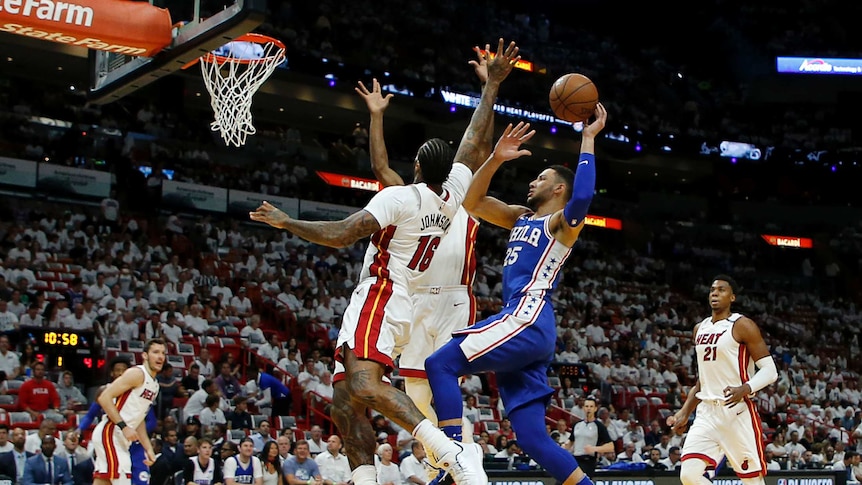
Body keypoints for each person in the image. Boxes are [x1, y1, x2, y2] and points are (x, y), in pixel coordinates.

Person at [250, 38, 523, 485]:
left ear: (415, 165)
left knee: (367, 385)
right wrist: (491, 86)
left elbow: (341, 233)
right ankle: (368, 476)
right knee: (344, 401)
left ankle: (444, 447)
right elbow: (474, 141)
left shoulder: (402, 197)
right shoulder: (453, 193)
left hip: (389, 292)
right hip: (406, 296)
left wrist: (286, 222)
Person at [422, 72, 608, 485]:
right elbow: (472, 201)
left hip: (527, 316)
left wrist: (589, 136)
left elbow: (585, 198)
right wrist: (496, 159)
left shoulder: (562, 225)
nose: (532, 180)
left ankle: (453, 461)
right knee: (531, 437)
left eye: (541, 177)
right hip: (526, 327)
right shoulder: (520, 217)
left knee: (440, 364)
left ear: (559, 189)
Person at [668, 275, 778, 485]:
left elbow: (770, 371)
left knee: (753, 481)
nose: (715, 293)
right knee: (689, 475)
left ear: (732, 297)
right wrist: (684, 412)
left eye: (721, 290)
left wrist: (745, 388)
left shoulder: (742, 325)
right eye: (712, 290)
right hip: (707, 413)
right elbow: (704, 379)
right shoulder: (699, 329)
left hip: (735, 412)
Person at [92, 339, 165, 485]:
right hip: (110, 433)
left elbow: (139, 420)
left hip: (120, 439)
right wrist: (124, 427)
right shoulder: (137, 374)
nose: (160, 357)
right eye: (155, 352)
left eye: (163, 353)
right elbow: (104, 397)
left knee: (104, 481)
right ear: (145, 355)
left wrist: (148, 449)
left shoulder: (155, 386)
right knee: (123, 479)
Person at [562, 397, 614, 475]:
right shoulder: (577, 424)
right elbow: (571, 440)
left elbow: (610, 446)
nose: (588, 409)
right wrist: (564, 446)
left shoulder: (599, 426)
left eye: (591, 406)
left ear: (595, 409)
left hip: (588, 460)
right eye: (586, 406)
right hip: (575, 458)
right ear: (583, 408)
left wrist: (594, 449)